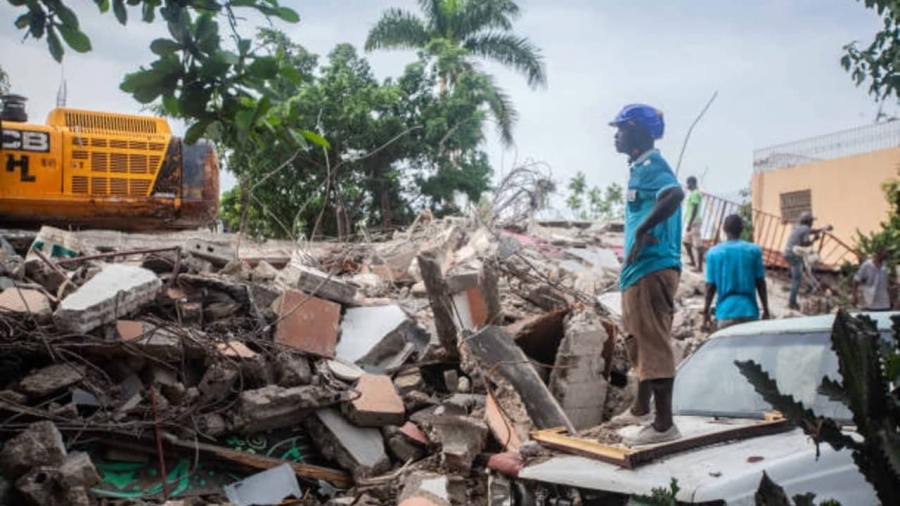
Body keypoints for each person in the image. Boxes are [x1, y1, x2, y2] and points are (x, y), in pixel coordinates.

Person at [608, 104, 684, 445]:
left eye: (621, 129)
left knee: (651, 340)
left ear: (637, 132)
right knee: (638, 338)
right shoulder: (640, 169)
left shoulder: (653, 166)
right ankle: (641, 409)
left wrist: (643, 231)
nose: (616, 135)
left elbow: (674, 194)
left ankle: (664, 425)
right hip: (640, 269)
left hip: (652, 266)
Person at [702, 214, 770, 331]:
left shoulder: (713, 253)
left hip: (725, 313)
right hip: (749, 311)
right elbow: (760, 282)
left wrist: (705, 312)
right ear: (742, 229)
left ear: (724, 229)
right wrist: (765, 308)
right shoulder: (754, 250)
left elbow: (710, 287)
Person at [782, 212, 832, 310]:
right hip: (795, 254)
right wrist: (814, 240)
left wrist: (823, 229)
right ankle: (792, 302)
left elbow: (812, 231)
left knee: (803, 269)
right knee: (797, 279)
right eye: (811, 221)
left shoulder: (797, 227)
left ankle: (809, 287)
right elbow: (806, 244)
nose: (812, 223)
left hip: (788, 253)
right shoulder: (804, 229)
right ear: (808, 221)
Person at [683, 176, 704, 272]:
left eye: (688, 184)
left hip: (694, 221)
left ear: (692, 183)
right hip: (691, 220)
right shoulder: (693, 194)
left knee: (698, 245)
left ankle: (699, 267)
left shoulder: (695, 194)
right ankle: (693, 261)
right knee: (686, 242)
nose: (687, 186)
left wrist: (690, 222)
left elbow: (695, 208)